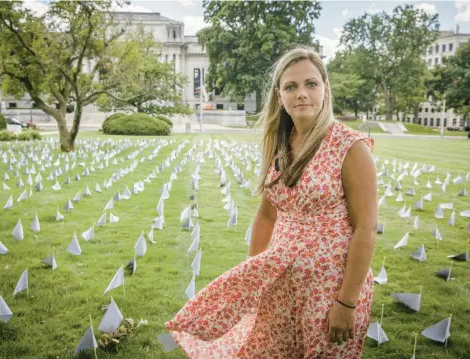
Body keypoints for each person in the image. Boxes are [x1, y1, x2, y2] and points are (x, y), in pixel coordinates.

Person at [162, 46, 377, 358]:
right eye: (291, 86)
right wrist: (255, 280)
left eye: (311, 84)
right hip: (279, 284)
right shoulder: (280, 145)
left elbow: (366, 230)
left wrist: (346, 302)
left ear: (325, 89)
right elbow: (266, 215)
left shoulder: (351, 147)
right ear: (279, 94)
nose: (301, 93)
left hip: (330, 289)